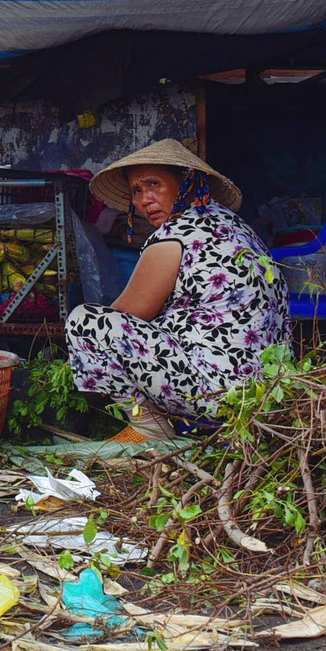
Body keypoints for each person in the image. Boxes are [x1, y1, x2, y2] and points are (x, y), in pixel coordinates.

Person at [65, 139, 286, 437]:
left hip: (217, 393)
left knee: (87, 323)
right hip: (270, 390)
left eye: (154, 184)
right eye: (137, 191)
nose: (145, 200)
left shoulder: (176, 235)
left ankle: (149, 428)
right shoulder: (234, 226)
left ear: (188, 183)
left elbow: (123, 316)